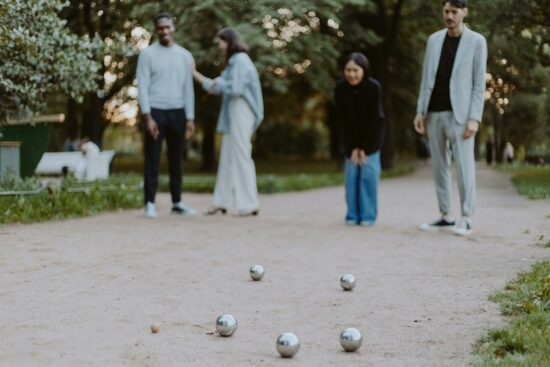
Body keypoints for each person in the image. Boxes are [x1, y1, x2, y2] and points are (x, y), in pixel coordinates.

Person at [413, 0, 487, 236]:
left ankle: (466, 217)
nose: (449, 16)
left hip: (462, 115)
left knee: (465, 167)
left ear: (464, 12)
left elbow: (479, 84)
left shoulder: (477, 41)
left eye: (454, 11)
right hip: (434, 112)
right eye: (446, 11)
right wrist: (420, 111)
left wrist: (475, 117)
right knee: (439, 167)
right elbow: (426, 79)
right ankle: (445, 215)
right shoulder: (434, 40)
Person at [192, 28, 264, 217]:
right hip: (234, 110)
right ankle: (220, 202)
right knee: (227, 157)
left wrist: (216, 83)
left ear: (229, 41)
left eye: (221, 43)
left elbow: (236, 89)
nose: (220, 47)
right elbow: (217, 87)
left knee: (241, 155)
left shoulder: (240, 60)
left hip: (241, 109)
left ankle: (249, 203)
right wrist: (196, 75)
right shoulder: (234, 63)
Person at [136, 12, 197, 218]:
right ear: (155, 30)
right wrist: (147, 116)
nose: (164, 31)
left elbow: (188, 88)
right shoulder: (147, 55)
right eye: (160, 28)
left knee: (176, 158)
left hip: (178, 112)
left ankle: (177, 202)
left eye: (167, 27)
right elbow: (142, 87)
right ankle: (150, 203)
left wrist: (190, 118)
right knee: (152, 158)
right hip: (156, 111)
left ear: (173, 27)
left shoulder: (185, 56)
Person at [335, 53, 385, 226]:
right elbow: (342, 121)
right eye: (348, 70)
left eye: (355, 70)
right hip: (350, 139)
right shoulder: (340, 89)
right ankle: (352, 215)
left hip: (372, 138)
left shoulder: (374, 88)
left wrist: (363, 147)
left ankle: (368, 216)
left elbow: (373, 120)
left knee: (368, 175)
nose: (351, 74)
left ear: (363, 70)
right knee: (351, 176)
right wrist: (352, 147)